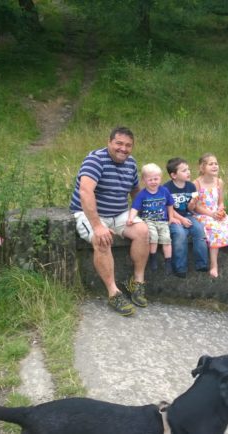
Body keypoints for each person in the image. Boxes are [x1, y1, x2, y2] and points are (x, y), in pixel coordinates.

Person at [69, 126, 149, 316]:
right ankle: (114, 293)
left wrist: (146, 212)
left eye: (128, 145)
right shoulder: (95, 160)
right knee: (102, 239)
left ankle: (137, 282)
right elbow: (85, 191)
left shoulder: (131, 163)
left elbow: (135, 191)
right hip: (90, 213)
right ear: (109, 142)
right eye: (119, 143)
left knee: (143, 231)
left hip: (120, 213)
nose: (123, 149)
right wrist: (97, 226)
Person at [193, 153, 228, 278]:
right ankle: (214, 265)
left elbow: (220, 201)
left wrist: (221, 209)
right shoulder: (196, 184)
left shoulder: (219, 182)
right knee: (215, 229)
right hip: (203, 214)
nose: (215, 166)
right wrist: (212, 214)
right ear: (202, 167)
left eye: (216, 163)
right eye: (211, 164)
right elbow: (196, 206)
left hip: (217, 212)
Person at [164, 157, 209, 278]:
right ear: (173, 175)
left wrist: (193, 203)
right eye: (184, 170)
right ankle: (180, 268)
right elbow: (169, 209)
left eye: (188, 169)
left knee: (199, 230)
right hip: (173, 217)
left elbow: (190, 209)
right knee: (180, 234)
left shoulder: (191, 187)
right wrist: (181, 220)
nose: (188, 172)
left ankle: (202, 263)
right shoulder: (166, 189)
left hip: (188, 215)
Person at [127, 163, 175, 275]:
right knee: (153, 237)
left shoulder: (164, 191)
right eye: (150, 180)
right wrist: (131, 218)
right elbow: (135, 207)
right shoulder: (142, 194)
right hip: (148, 221)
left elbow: (170, 204)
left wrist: (171, 217)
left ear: (160, 178)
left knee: (167, 240)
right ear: (144, 180)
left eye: (156, 179)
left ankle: (168, 261)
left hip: (162, 221)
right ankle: (152, 258)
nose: (153, 182)